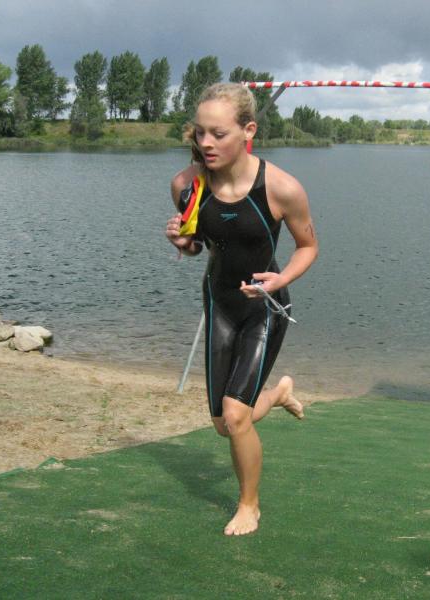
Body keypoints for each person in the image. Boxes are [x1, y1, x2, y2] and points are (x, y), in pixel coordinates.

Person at [165, 83, 318, 536]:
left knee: (235, 416)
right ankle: (279, 395)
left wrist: (281, 279)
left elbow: (308, 246)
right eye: (200, 133)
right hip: (218, 303)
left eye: (218, 134)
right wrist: (182, 242)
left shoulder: (282, 188)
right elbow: (198, 245)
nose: (206, 143)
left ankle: (249, 505)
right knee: (223, 424)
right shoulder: (186, 185)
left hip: (263, 306)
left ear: (248, 131)